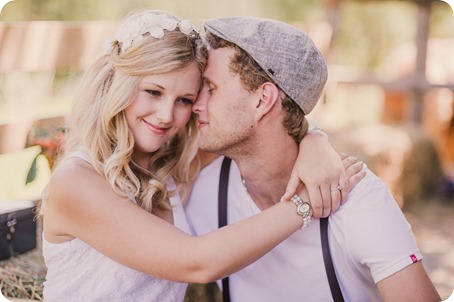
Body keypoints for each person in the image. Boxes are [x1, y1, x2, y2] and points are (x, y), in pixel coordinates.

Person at [40, 10, 363, 302]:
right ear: (116, 85)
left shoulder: (174, 165)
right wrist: (304, 204)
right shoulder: (77, 180)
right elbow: (197, 263)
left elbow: (267, 132)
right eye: (153, 92)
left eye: (184, 99)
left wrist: (315, 139)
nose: (166, 115)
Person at [185, 16, 441, 301]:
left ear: (262, 100)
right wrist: (316, 136)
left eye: (212, 88)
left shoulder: (358, 200)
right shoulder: (202, 192)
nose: (196, 104)